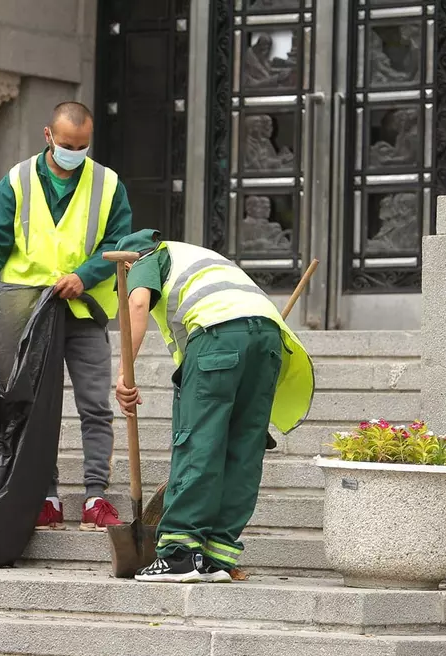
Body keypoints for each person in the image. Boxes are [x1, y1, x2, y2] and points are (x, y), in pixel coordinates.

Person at [0, 101, 132, 532]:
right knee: (32, 406)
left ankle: (95, 497)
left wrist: (84, 276)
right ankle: (45, 498)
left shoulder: (108, 184)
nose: (74, 153)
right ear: (48, 135)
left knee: (94, 406)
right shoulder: (18, 181)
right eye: (67, 145)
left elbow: (121, 242)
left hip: (84, 311)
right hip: (27, 314)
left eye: (82, 146)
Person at [111, 229, 315, 582]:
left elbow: (139, 304)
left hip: (218, 341)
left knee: (199, 443)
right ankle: (216, 556)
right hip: (269, 342)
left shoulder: (146, 257)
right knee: (243, 448)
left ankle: (178, 555)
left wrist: (123, 376)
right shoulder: (202, 259)